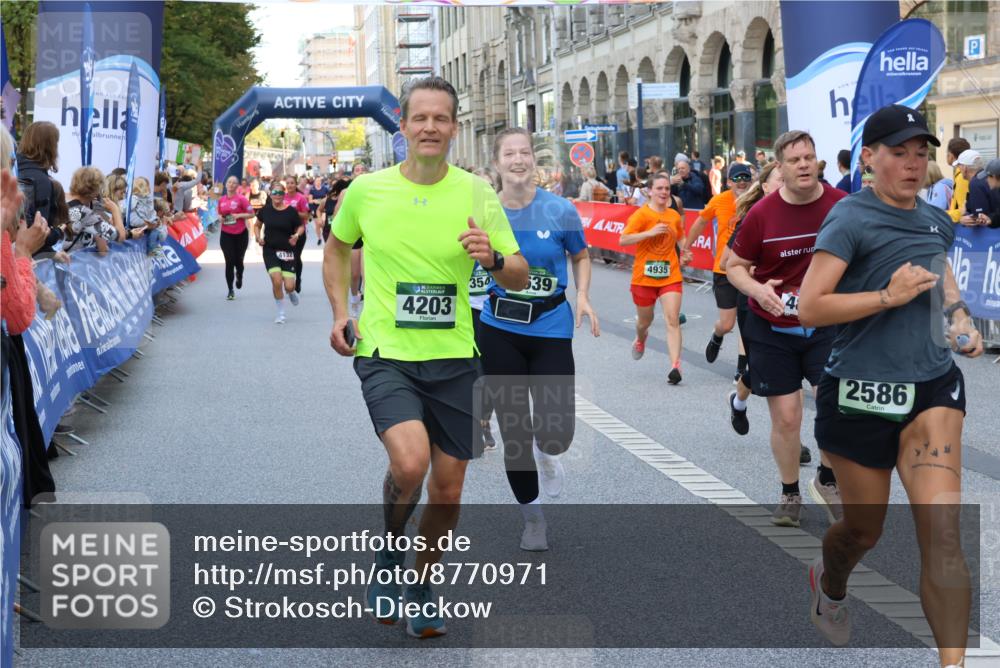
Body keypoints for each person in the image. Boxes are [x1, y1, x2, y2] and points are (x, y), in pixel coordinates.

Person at [323, 76, 527, 639]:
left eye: (441, 118)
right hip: (386, 352)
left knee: (448, 489)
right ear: (404, 126)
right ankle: (389, 556)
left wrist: (490, 258)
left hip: (457, 356)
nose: (430, 127)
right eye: (420, 118)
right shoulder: (368, 190)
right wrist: (341, 310)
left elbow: (519, 272)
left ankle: (422, 582)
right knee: (409, 464)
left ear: (454, 128)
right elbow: (338, 248)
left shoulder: (476, 193)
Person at [799, 103, 981, 665]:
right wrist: (887, 297)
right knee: (862, 532)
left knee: (943, 532)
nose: (911, 163)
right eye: (898, 152)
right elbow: (810, 306)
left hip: (931, 387)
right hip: (858, 392)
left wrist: (958, 317)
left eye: (920, 153)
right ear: (871, 158)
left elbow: (940, 272)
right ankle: (829, 586)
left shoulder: (935, 219)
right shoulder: (850, 219)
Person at [478, 128, 600, 551]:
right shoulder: (482, 212)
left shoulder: (560, 210)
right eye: (509, 153)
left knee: (555, 434)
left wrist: (582, 296)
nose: (517, 159)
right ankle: (532, 519)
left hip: (550, 326)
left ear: (534, 160)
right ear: (496, 163)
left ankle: (547, 453)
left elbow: (580, 256)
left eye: (524, 152)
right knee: (514, 430)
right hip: (499, 327)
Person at [728, 130, 847, 528]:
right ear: (779, 167)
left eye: (809, 158)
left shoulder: (840, 205)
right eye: (795, 160)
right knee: (788, 418)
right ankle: (789, 491)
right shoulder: (762, 213)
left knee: (836, 406)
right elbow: (734, 267)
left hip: (825, 325)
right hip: (772, 327)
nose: (803, 165)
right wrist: (758, 291)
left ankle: (827, 479)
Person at [720, 161, 784, 435]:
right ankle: (739, 401)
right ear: (766, 186)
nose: (786, 185)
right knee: (763, 371)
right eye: (780, 180)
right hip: (756, 303)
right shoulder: (753, 218)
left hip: (795, 303)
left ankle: (791, 435)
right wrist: (751, 268)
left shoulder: (808, 216)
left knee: (806, 374)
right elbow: (726, 262)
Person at [620, 172, 689, 384]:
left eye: (667, 188)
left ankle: (675, 367)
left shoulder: (673, 215)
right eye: (659, 188)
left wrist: (684, 250)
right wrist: (649, 233)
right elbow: (624, 239)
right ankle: (641, 338)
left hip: (670, 275)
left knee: (672, 319)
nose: (664, 192)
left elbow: (680, 235)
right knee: (644, 321)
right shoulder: (642, 215)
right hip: (644, 278)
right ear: (650, 191)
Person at [683, 162, 753, 366]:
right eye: (737, 179)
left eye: (745, 178)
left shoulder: (757, 202)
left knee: (746, 321)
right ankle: (717, 335)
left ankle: (742, 368)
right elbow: (700, 222)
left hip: (748, 268)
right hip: (723, 268)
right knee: (728, 323)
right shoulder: (719, 200)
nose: (742, 183)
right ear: (729, 181)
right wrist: (687, 247)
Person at [253, 181, 303, 323]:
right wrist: (258, 237)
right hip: (270, 250)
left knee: (288, 285)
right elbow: (257, 225)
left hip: (288, 251)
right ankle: (281, 314)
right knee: (276, 280)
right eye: (274, 192)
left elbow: (300, 227)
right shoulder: (266, 210)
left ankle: (291, 291)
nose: (277, 195)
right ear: (270, 194)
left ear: (284, 194)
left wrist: (296, 235)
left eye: (280, 193)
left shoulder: (291, 211)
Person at [64, 167, 122, 255]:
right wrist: (115, 210)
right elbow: (119, 236)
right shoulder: (85, 214)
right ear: (95, 191)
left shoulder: (60, 202)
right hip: (69, 264)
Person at [218, 175, 255, 299]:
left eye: (234, 183)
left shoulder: (242, 199)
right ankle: (230, 290)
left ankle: (239, 274)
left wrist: (239, 216)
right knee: (229, 261)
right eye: (229, 182)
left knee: (239, 261)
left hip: (240, 234)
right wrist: (220, 218)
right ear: (226, 184)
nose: (231, 184)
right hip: (226, 234)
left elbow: (251, 214)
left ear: (237, 186)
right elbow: (219, 214)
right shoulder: (222, 200)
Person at [281, 174, 310, 293]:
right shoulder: (282, 198)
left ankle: (297, 279)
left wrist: (293, 212)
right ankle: (288, 280)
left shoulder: (301, 198)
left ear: (295, 184)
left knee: (296, 257)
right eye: (287, 183)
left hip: (299, 231)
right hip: (284, 232)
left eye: (292, 183)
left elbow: (306, 216)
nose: (290, 185)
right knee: (286, 258)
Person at [954, 149, 997, 226]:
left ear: (964, 168)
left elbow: (980, 217)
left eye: (959, 166)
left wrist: (963, 218)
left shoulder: (975, 183)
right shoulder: (987, 177)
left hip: (989, 235)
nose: (959, 169)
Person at [945, 137, 971, 224]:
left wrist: (943, 214)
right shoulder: (960, 175)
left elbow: (963, 210)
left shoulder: (962, 177)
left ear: (951, 155)